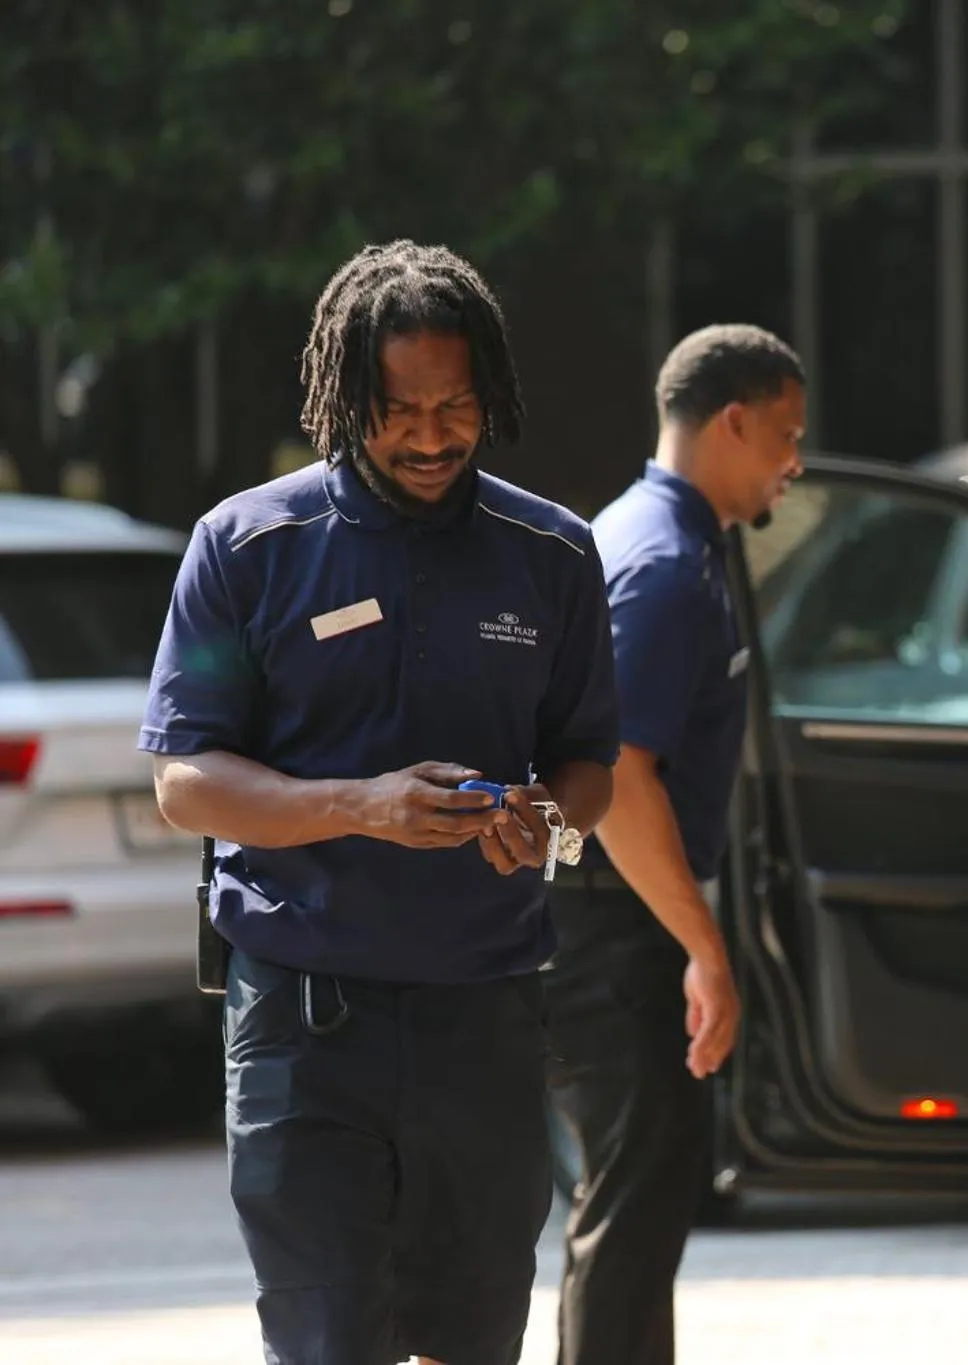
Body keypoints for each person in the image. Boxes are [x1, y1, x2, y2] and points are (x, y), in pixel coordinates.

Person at [140, 239, 619, 1365]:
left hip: (485, 1014)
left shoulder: (552, 553)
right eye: (398, 410)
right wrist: (362, 805)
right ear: (344, 395)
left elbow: (588, 761)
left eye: (456, 406)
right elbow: (184, 780)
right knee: (328, 1340)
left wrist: (548, 824)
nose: (431, 436)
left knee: (472, 1338)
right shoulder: (248, 546)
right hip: (305, 1023)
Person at [545, 324, 806, 1365]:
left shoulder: (655, 536)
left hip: (609, 917)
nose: (793, 461)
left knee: (640, 1208)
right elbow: (618, 779)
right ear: (732, 421)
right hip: (610, 926)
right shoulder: (659, 563)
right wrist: (704, 947)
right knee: (632, 1211)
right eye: (785, 435)